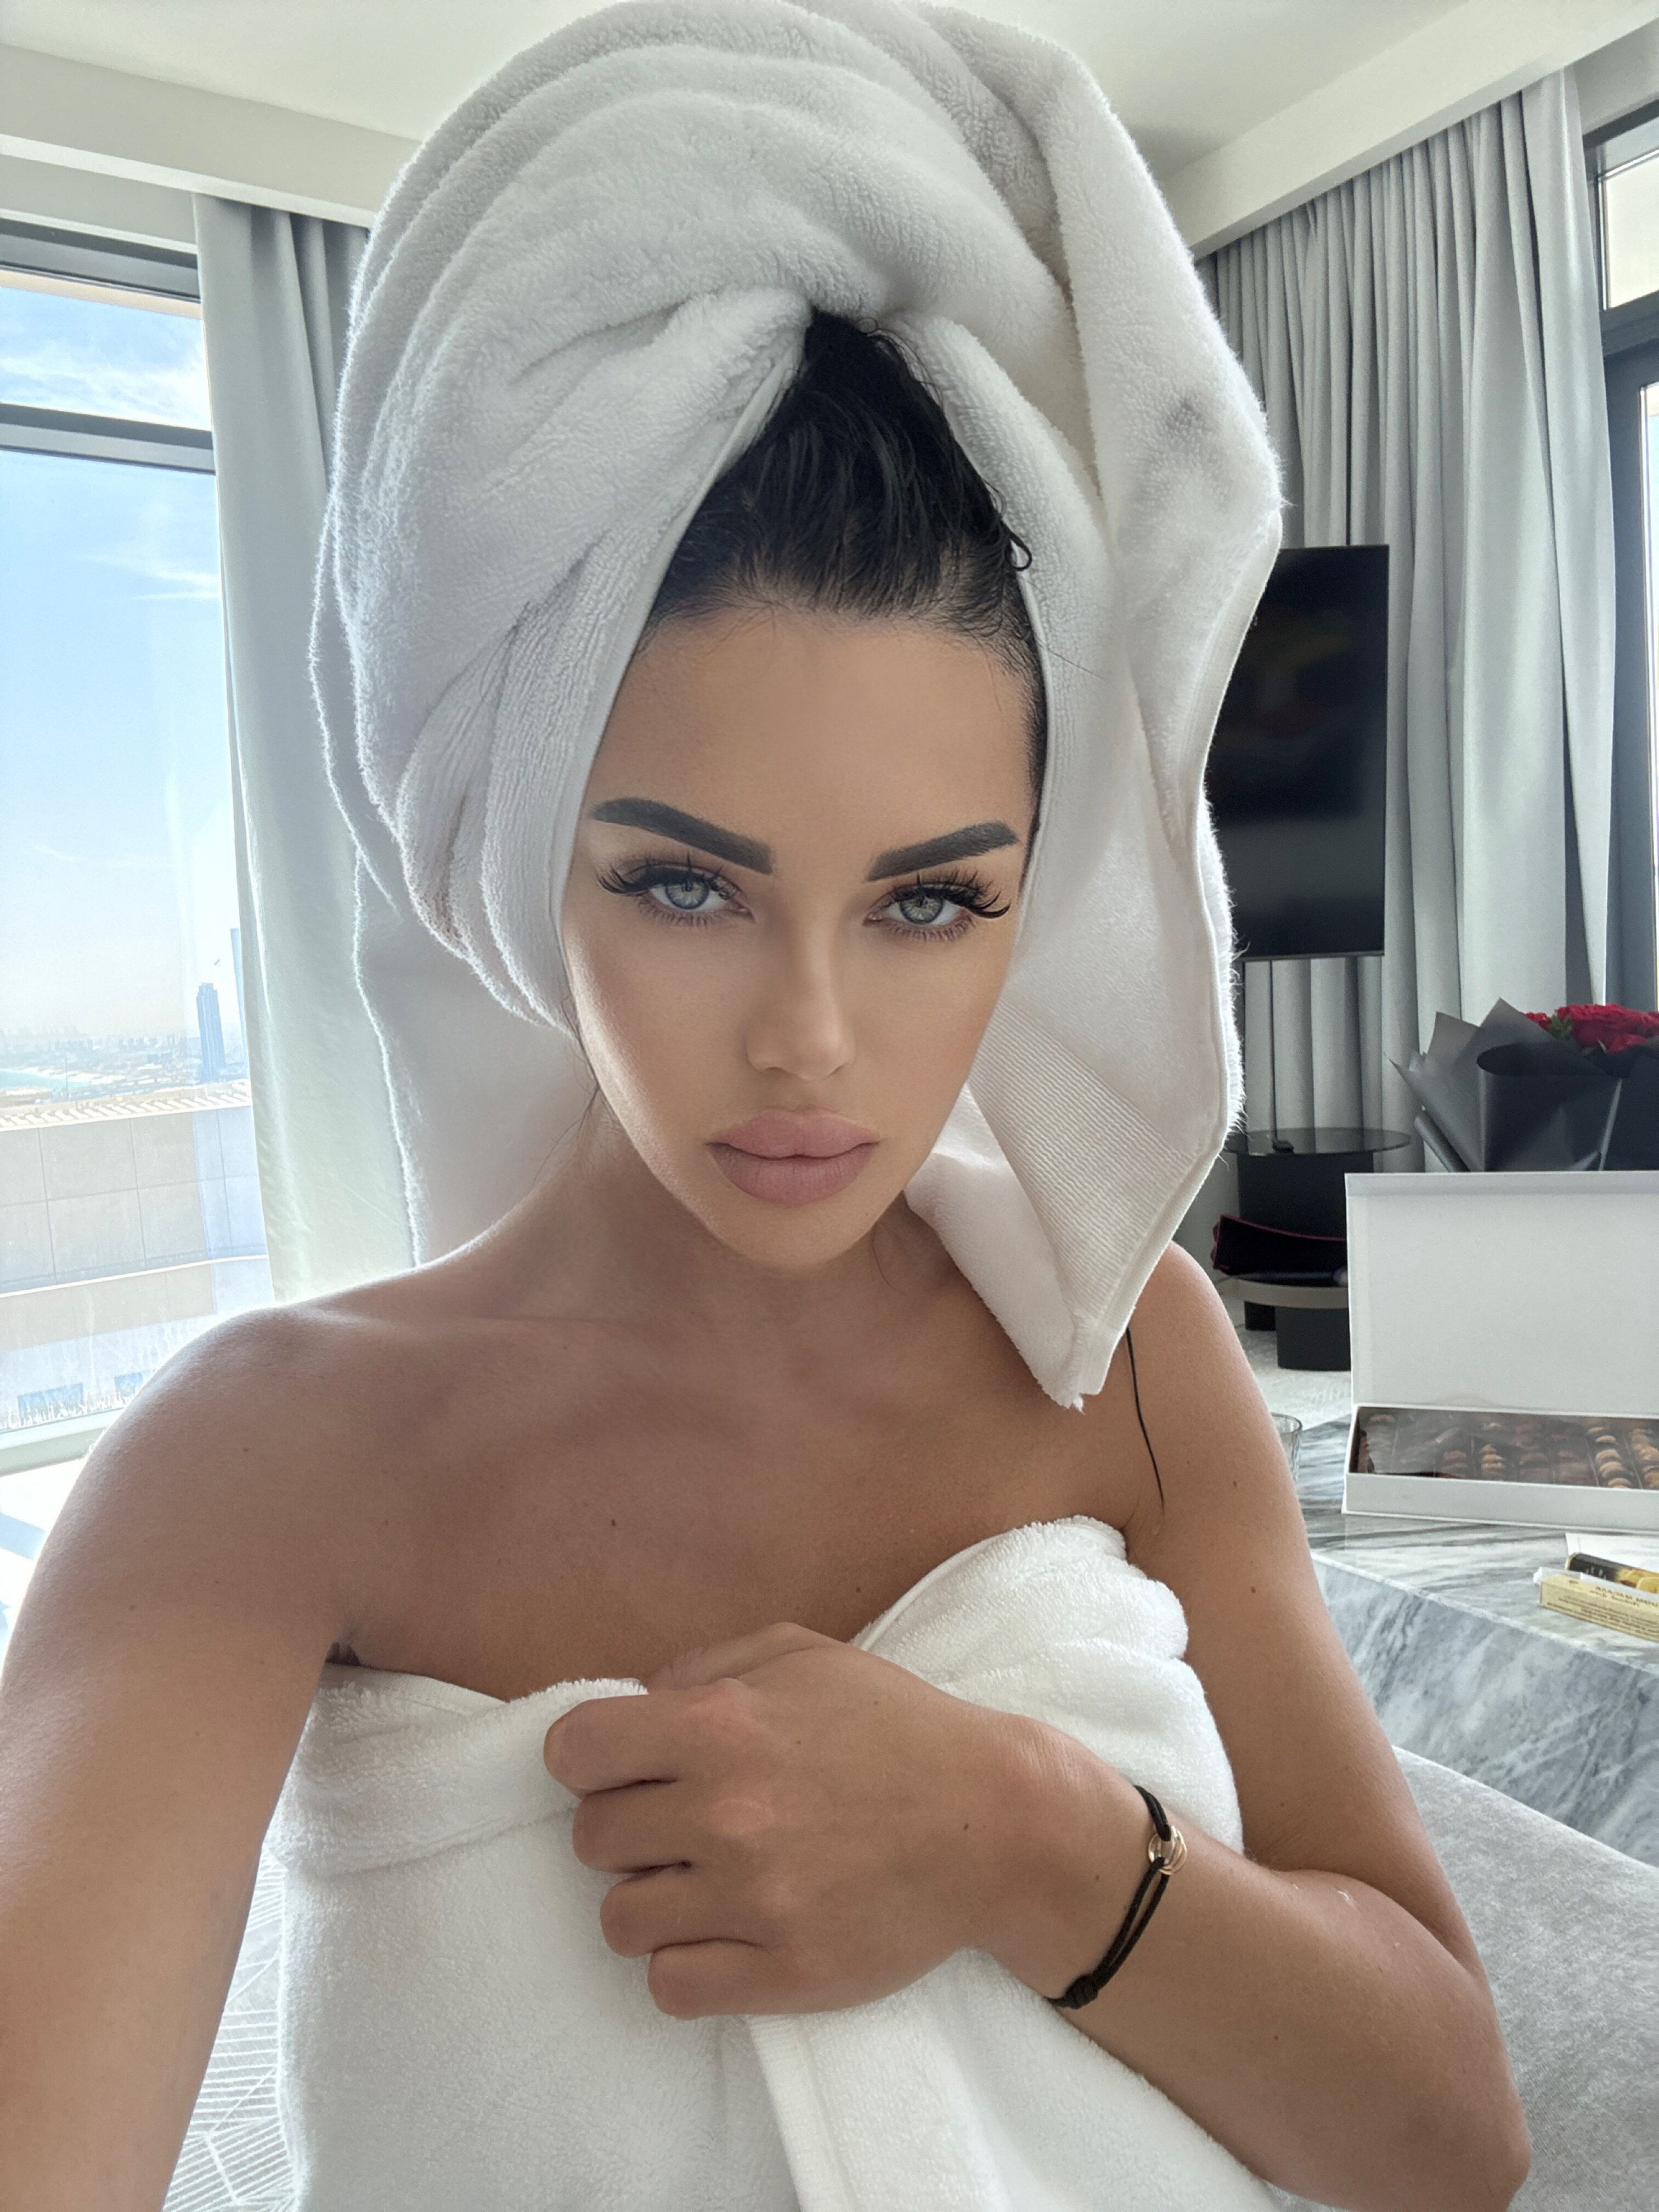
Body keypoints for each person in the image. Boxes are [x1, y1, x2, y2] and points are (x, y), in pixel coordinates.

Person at [0, 306, 1526, 2211]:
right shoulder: (261, 1451)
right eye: (686, 883)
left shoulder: (1124, 1342)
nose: (811, 1039)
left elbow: (1451, 2140)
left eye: (929, 901)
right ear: (525, 866)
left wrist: (1025, 1836)